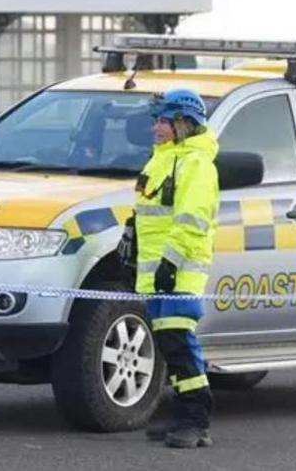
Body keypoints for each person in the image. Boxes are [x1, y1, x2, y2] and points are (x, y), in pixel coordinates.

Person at [128, 88, 219, 448]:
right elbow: (151, 212)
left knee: (180, 344)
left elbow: (191, 220)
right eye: (157, 120)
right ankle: (183, 415)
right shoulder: (161, 159)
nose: (157, 128)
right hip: (157, 272)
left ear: (185, 123)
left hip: (179, 271)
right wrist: (130, 237)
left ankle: (196, 421)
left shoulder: (196, 164)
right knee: (169, 345)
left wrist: (170, 262)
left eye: (164, 121)